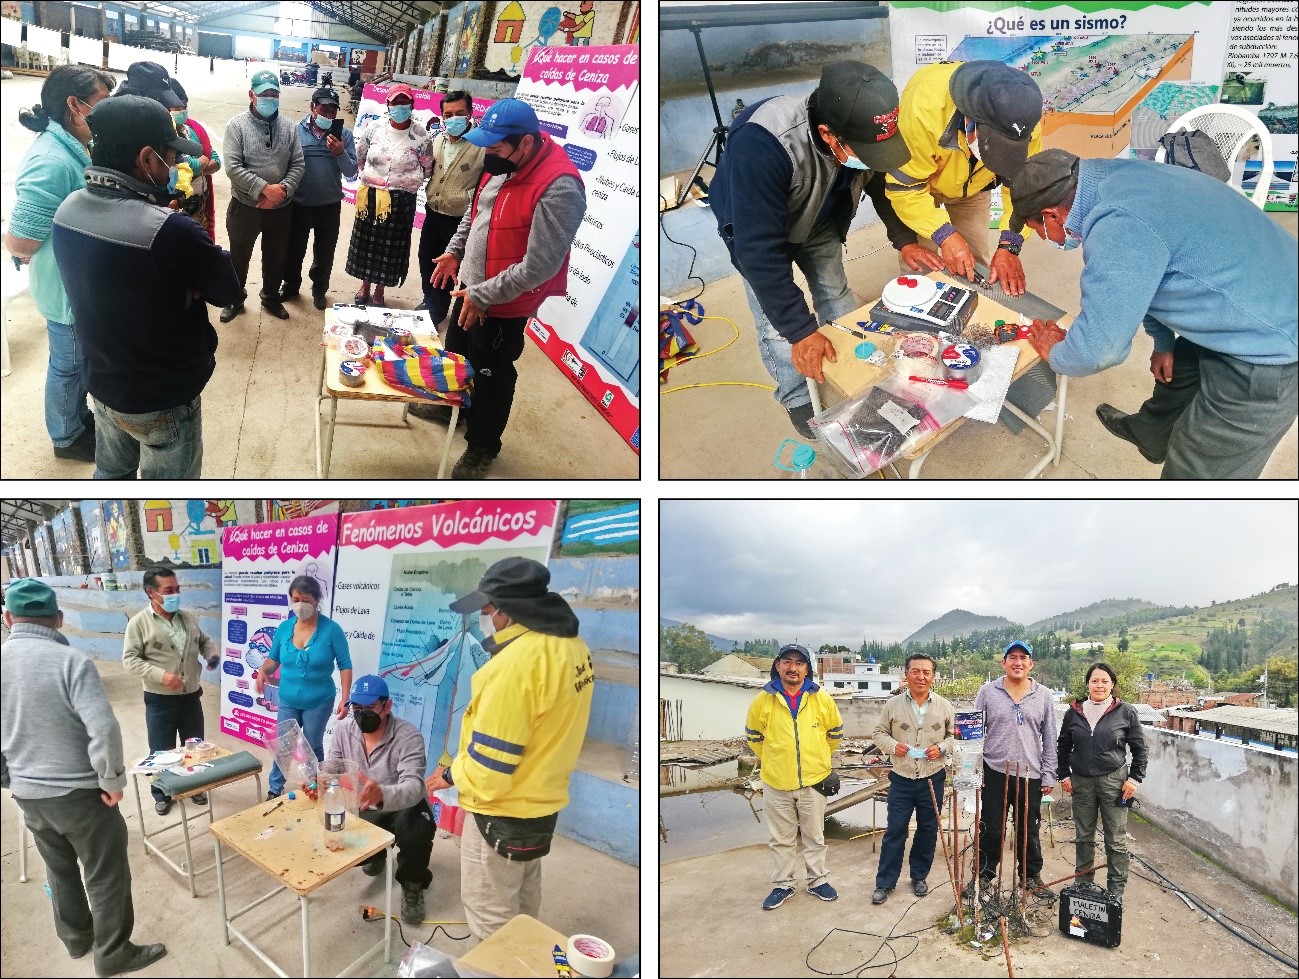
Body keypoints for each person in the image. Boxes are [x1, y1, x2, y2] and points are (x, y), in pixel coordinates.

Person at [1009, 149, 1298, 478]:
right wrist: (1163, 342)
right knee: (1180, 373)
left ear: (1052, 216)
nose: (1044, 237)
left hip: (1274, 345)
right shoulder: (1115, 175)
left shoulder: (1117, 225)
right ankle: (1152, 434)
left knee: (1200, 467)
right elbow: (1147, 273)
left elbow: (1098, 351)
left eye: (1036, 228)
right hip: (1250, 291)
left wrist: (1057, 353)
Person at [707, 62, 933, 438]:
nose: (870, 158)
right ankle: (799, 399)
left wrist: (903, 238)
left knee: (837, 296)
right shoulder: (763, 142)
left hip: (820, 217)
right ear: (827, 133)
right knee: (779, 327)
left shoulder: (866, 129)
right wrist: (800, 330)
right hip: (758, 228)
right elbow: (757, 252)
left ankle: (855, 376)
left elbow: (879, 183)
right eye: (861, 151)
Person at [51, 95, 244, 480]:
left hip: (104, 386)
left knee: (111, 473)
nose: (175, 165)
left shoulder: (68, 209)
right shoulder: (169, 231)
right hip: (161, 398)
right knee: (167, 499)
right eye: (170, 156)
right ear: (146, 158)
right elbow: (228, 291)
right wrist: (185, 257)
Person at [1, 579, 167, 976]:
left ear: (8, 618)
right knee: (105, 873)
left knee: (58, 868)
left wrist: (11, 778)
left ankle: (76, 939)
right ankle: (112, 953)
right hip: (79, 795)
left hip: (30, 796)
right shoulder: (71, 662)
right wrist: (112, 781)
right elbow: (104, 728)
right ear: (58, 619)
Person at [424, 557, 594, 940]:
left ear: (510, 610)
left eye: (489, 608)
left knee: (492, 923)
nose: (486, 616)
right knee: (523, 906)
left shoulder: (514, 668)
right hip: (542, 804)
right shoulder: (573, 648)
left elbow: (488, 772)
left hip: (499, 815)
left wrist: (448, 775)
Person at [424, 98, 586, 478]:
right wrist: (453, 253)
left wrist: (484, 294)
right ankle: (451, 407)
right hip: (472, 287)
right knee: (457, 351)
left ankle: (482, 446)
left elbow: (540, 265)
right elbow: (475, 210)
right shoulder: (501, 162)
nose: (487, 155)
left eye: (495, 148)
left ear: (525, 143)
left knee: (491, 372)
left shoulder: (559, 187)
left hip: (504, 302)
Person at [6, 64, 114, 463]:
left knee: (78, 361)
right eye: (102, 103)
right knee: (67, 365)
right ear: (75, 105)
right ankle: (65, 437)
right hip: (66, 290)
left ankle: (77, 415)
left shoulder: (74, 143)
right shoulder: (51, 160)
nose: (108, 111)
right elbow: (19, 242)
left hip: (81, 284)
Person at [888, 60, 1044, 295]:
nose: (996, 160)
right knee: (921, 265)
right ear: (971, 120)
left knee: (976, 263)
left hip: (974, 189)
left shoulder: (1025, 124)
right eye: (994, 147)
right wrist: (944, 235)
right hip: (922, 187)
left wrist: (1010, 245)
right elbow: (905, 189)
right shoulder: (924, 108)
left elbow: (1023, 191)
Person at [326, 675, 435, 926]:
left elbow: (414, 786)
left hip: (404, 805)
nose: (362, 714)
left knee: (415, 829)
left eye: (370, 708)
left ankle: (412, 884)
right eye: (357, 708)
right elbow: (333, 766)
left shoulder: (408, 736)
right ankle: (376, 856)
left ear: (387, 706)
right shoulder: (344, 732)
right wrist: (317, 779)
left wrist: (382, 794)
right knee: (343, 841)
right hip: (364, 804)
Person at [743, 643, 844, 910]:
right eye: (787, 661)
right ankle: (783, 885)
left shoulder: (821, 698)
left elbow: (835, 734)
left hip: (814, 782)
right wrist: (776, 761)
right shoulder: (763, 700)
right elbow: (754, 737)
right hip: (776, 783)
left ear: (807, 669)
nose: (793, 668)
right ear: (777, 666)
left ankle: (817, 881)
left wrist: (819, 759)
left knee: (814, 836)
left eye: (799, 663)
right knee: (781, 839)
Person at [121, 568, 220, 815]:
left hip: (191, 697)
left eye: (177, 589)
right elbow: (130, 659)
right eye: (169, 591)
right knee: (162, 751)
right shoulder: (139, 624)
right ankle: (162, 794)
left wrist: (211, 654)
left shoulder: (187, 618)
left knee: (194, 747)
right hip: (159, 700)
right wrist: (161, 676)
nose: (175, 595)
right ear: (151, 593)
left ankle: (194, 786)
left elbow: (203, 641)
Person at [253, 575, 352, 799]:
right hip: (288, 699)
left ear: (317, 600)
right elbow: (273, 659)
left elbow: (345, 665)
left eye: (305, 600)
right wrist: (263, 671)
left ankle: (315, 786)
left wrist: (345, 698)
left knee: (313, 744)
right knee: (284, 745)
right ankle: (275, 788)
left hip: (319, 701)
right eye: (295, 599)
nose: (300, 605)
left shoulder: (331, 630)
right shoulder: (284, 628)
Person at [972, 640, 1058, 897]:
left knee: (1028, 829)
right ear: (1004, 663)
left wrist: (1049, 772)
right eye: (1012, 657)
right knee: (992, 827)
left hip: (1030, 774)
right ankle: (984, 877)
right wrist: (976, 770)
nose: (1017, 662)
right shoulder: (988, 692)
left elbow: (1050, 737)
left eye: (1023, 657)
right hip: (994, 771)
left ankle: (1030, 877)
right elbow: (975, 734)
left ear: (1031, 664)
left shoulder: (1043, 695)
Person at [1057, 662, 1148, 904]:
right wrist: (1063, 774)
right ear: (1087, 683)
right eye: (1095, 680)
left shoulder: (1125, 711)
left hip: (1114, 781)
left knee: (1115, 839)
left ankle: (1115, 892)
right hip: (1082, 782)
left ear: (1112, 685)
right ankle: (1083, 885)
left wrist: (1135, 778)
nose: (1099, 685)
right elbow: (1063, 746)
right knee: (1084, 836)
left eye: (1104, 681)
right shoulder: (1073, 712)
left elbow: (1140, 748)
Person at [869, 652, 955, 904]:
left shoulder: (944, 706)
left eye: (926, 672)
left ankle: (919, 876)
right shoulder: (893, 705)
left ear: (933, 677)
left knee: (928, 830)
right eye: (915, 671)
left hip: (933, 777)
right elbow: (878, 732)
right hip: (902, 777)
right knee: (895, 830)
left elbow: (953, 736)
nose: (921, 676)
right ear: (906, 675)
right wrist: (892, 745)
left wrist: (941, 748)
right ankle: (885, 883)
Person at [221, 69, 306, 322]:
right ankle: (235, 298)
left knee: (276, 256)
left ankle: (270, 297)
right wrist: (263, 189)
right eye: (264, 94)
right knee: (238, 256)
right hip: (245, 206)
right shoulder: (237, 126)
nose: (270, 98)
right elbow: (233, 167)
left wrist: (282, 191)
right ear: (252, 95)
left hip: (281, 207)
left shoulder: (289, 127)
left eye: (274, 94)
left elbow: (298, 164)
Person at [347, 83, 434, 307]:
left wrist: (401, 182)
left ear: (412, 105)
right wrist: (372, 179)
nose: (400, 106)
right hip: (372, 196)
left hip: (401, 200)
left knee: (389, 249)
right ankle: (364, 286)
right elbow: (360, 157)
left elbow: (427, 168)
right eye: (395, 102)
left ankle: (379, 291)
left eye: (404, 102)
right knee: (367, 245)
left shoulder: (421, 136)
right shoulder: (374, 129)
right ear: (388, 105)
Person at [280, 86, 357, 310]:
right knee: (294, 248)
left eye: (333, 111)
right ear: (312, 107)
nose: (328, 115)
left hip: (330, 205)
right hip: (300, 203)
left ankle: (319, 289)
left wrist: (340, 152)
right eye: (324, 109)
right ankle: (291, 285)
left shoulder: (344, 135)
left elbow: (351, 172)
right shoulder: (295, 132)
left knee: (325, 251)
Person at [411, 89, 483, 322]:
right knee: (426, 257)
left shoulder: (481, 145)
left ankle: (437, 310)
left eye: (459, 113)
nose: (453, 119)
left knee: (446, 263)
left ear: (470, 113)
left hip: (459, 218)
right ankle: (429, 298)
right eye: (448, 114)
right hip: (433, 212)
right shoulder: (439, 139)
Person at [166, 78, 222, 242]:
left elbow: (216, 160)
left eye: (184, 106)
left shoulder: (192, 128)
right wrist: (201, 163)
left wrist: (195, 170)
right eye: (177, 107)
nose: (182, 111)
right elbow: (181, 165)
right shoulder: (162, 135)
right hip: (175, 205)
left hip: (198, 206)